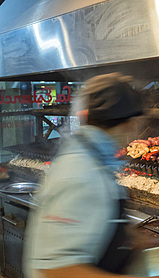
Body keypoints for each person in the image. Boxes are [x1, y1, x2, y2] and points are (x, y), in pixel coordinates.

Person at [23, 73, 151, 278]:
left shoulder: (92, 155)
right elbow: (56, 270)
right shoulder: (81, 173)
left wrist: (143, 244)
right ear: (129, 124)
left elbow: (95, 222)